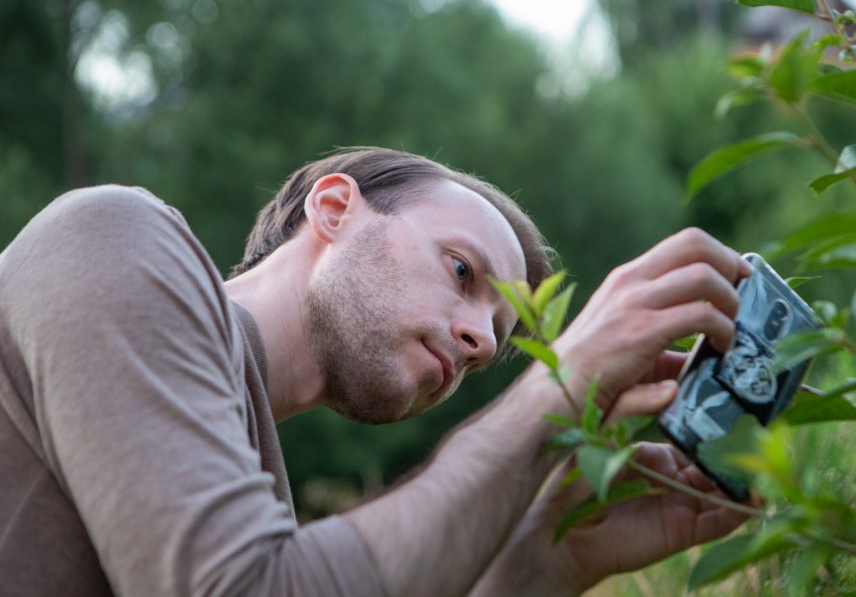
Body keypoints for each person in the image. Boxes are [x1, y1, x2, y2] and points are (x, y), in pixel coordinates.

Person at [0, 146, 752, 596]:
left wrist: (533, 566)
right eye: (461, 271)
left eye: (496, 335)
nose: (481, 343)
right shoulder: (114, 237)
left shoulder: (255, 501)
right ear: (333, 208)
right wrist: (542, 409)